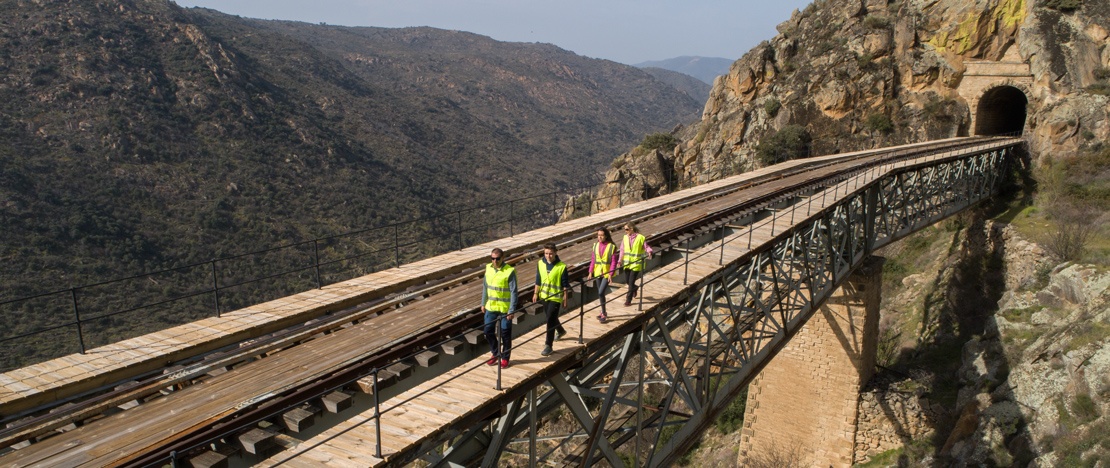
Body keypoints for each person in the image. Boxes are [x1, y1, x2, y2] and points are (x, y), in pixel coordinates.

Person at [481, 248, 517, 368]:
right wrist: (483, 303)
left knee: (505, 333)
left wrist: (511, 310)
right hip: (491, 306)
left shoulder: (509, 271)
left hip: (505, 308)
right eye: (492, 258)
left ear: (502, 258)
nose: (494, 261)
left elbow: (513, 292)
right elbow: (485, 287)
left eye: (497, 259)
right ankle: (496, 353)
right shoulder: (488, 268)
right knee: (487, 331)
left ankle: (505, 358)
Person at [533, 243, 569, 356]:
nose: (548, 256)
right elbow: (538, 280)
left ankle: (548, 345)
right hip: (544, 296)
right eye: (546, 253)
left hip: (556, 297)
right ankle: (561, 330)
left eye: (550, 254)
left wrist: (565, 298)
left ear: (555, 253)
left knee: (549, 319)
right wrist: (535, 293)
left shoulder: (561, 266)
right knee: (551, 317)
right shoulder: (540, 263)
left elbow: (565, 284)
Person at [587, 227, 619, 323]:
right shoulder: (596, 245)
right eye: (598, 235)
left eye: (602, 235)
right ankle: (602, 311)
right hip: (598, 272)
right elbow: (593, 260)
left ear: (606, 236)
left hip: (606, 273)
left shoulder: (611, 247)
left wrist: (610, 274)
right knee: (600, 294)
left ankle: (604, 313)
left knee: (601, 292)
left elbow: (613, 262)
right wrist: (590, 272)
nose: (600, 237)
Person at [617, 222, 653, 307]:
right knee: (627, 281)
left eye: (626, 229)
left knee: (631, 281)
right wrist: (619, 261)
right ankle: (635, 287)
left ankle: (628, 300)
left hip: (636, 264)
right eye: (625, 229)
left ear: (631, 229)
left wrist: (649, 251)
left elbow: (646, 246)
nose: (625, 231)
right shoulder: (625, 238)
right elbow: (622, 250)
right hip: (627, 263)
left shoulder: (640, 237)